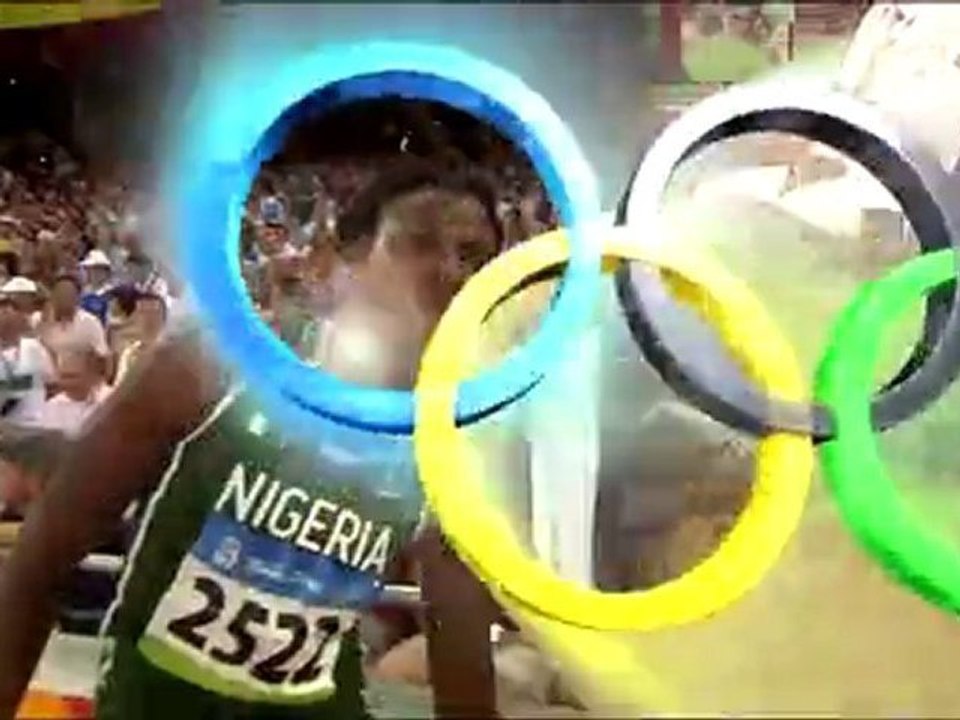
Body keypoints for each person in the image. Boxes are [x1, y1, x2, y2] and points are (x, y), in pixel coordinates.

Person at [0, 160, 505, 720]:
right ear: (343, 259)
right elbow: (40, 563)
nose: (448, 271)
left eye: (473, 257)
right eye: (418, 243)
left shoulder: (447, 445)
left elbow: (462, 658)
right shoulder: (213, 366)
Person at [37, 274, 110, 370]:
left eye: (69, 293)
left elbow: (103, 356)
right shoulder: (38, 320)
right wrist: (43, 325)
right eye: (60, 293)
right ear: (52, 295)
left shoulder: (89, 322)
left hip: (78, 379)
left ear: (78, 298)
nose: (64, 297)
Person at [38, 348, 112, 438]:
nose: (64, 382)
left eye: (72, 376)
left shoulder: (110, 399)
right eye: (62, 376)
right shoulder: (51, 408)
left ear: (92, 375)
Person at [115, 292, 167, 384]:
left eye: (154, 312)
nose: (148, 318)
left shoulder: (168, 357)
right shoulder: (128, 353)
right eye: (142, 311)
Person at [79, 249, 115, 326]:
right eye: (92, 269)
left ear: (106, 272)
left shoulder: (112, 292)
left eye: (99, 269)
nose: (95, 273)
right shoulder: (82, 292)